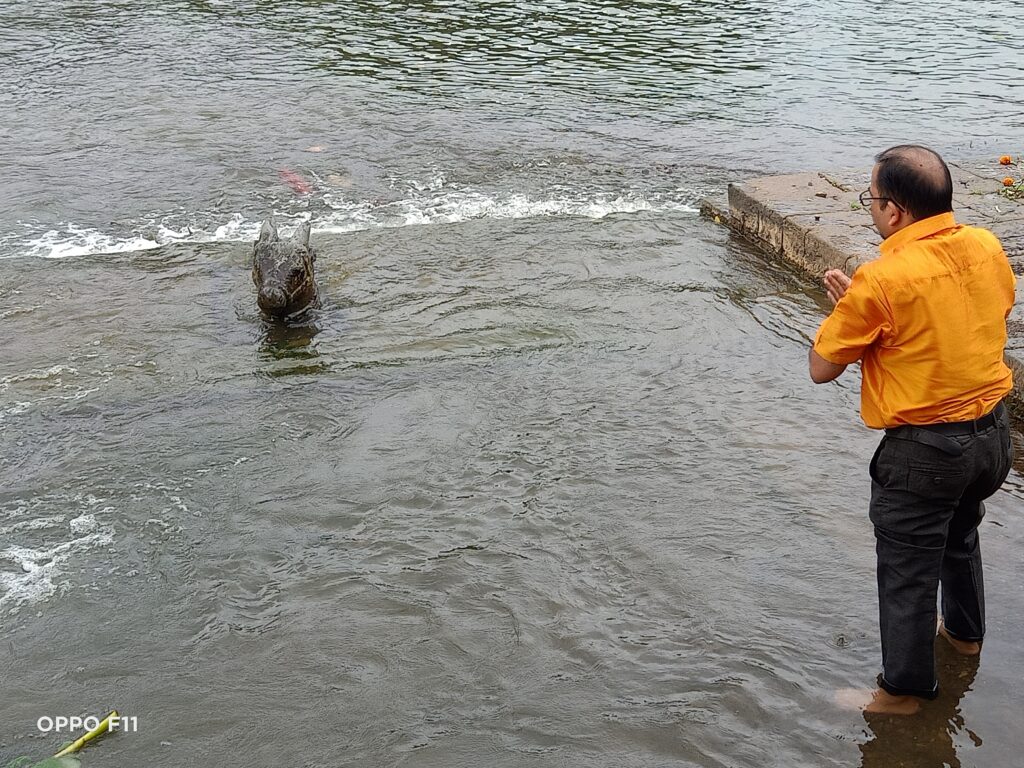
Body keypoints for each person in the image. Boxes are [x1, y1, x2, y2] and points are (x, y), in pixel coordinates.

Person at [808, 144, 1015, 715]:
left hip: (925, 452)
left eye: (871, 199)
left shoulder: (881, 279)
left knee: (906, 570)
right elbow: (973, 318)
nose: (870, 209)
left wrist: (846, 312)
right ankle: (965, 636)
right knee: (960, 534)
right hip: (993, 439)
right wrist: (871, 312)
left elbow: (822, 369)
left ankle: (901, 694)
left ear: (894, 211)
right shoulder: (984, 245)